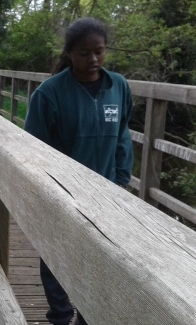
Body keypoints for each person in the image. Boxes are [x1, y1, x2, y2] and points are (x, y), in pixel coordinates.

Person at [24, 17, 133, 325]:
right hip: (62, 193)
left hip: (106, 193)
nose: (93, 59)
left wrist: (122, 179)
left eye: (99, 51)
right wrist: (45, 190)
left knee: (99, 259)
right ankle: (59, 315)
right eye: (84, 53)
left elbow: (123, 134)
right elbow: (32, 147)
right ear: (69, 53)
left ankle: (87, 315)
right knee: (55, 255)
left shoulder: (119, 86)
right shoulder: (49, 94)